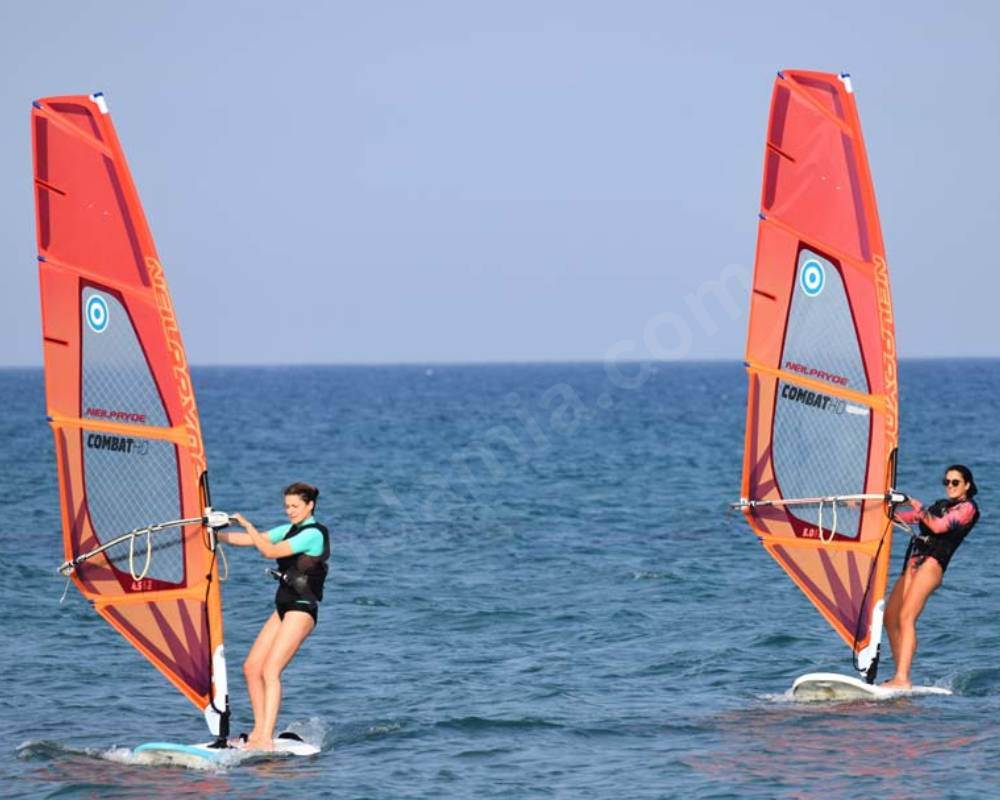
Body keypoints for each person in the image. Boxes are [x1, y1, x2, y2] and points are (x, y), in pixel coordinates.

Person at [217, 482, 330, 750]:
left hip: (302, 608)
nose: (290, 511)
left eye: (295, 506)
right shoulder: (289, 530)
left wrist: (246, 524)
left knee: (270, 670)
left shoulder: (313, 534)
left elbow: (268, 550)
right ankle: (259, 731)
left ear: (309, 505)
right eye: (287, 506)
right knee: (251, 668)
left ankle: (265, 738)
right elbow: (252, 540)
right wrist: (212, 534)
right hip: (283, 607)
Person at [882, 465, 980, 689]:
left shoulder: (968, 508)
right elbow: (903, 518)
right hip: (912, 564)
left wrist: (915, 503)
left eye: (955, 482)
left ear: (967, 485)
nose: (950, 486)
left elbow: (938, 526)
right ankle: (900, 675)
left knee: (907, 617)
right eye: (947, 482)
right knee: (890, 617)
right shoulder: (940, 505)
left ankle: (902, 678)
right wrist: (873, 509)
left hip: (932, 565)